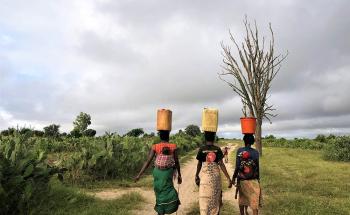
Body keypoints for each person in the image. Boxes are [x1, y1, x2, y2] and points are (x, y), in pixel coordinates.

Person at [135, 130, 182, 215]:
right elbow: (177, 161)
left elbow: (148, 161)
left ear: (160, 136)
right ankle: (168, 207)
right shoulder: (173, 146)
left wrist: (139, 174)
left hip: (157, 172)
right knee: (168, 189)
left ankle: (161, 210)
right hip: (168, 172)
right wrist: (179, 175)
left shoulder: (155, 146)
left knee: (159, 190)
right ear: (168, 136)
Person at [195, 131, 232, 215]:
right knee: (216, 198)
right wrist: (228, 178)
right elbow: (221, 164)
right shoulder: (217, 149)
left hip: (205, 177)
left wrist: (196, 175)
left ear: (205, 138)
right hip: (215, 176)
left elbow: (199, 164)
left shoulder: (202, 149)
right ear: (214, 138)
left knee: (204, 199)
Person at [231, 134, 261, 215]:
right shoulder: (256, 153)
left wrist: (233, 178)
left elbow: (237, 167)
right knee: (254, 203)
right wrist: (258, 180)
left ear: (244, 141)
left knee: (242, 200)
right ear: (252, 142)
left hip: (242, 181)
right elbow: (257, 167)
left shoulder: (240, 150)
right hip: (253, 180)